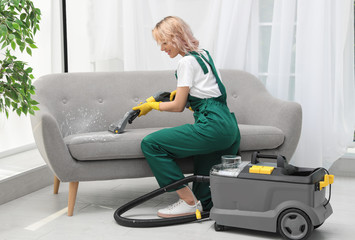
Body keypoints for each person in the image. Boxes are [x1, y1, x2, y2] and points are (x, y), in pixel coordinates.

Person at [132, 16, 241, 218]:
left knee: (151, 144)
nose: (162, 48)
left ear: (175, 38)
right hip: (229, 127)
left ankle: (187, 201)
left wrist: (152, 105)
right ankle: (201, 206)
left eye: (164, 42)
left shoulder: (186, 62)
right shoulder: (204, 54)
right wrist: (187, 96)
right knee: (204, 190)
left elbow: (177, 106)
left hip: (212, 126)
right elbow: (208, 94)